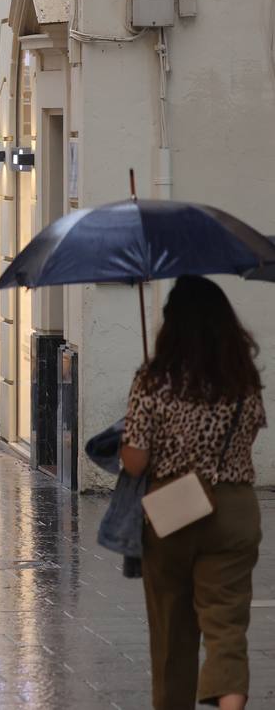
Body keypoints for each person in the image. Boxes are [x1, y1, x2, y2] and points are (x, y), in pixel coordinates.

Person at [121, 276, 266, 710]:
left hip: (174, 511)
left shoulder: (153, 380)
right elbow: (251, 434)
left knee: (171, 633)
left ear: (171, 325)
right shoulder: (242, 378)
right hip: (234, 508)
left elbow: (135, 461)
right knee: (227, 628)